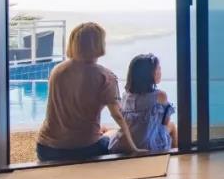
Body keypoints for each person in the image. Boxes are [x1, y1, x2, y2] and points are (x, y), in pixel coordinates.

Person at [36, 22, 142, 161]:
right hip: (84, 149)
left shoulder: (57, 70)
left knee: (104, 132)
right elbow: (117, 116)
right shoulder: (105, 77)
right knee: (113, 134)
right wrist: (134, 147)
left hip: (46, 148)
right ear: (98, 44)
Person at [109, 53, 177, 153]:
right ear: (149, 74)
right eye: (158, 69)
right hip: (147, 144)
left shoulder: (126, 95)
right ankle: (175, 155)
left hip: (127, 142)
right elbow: (165, 122)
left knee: (111, 132)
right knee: (172, 126)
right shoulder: (160, 95)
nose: (160, 71)